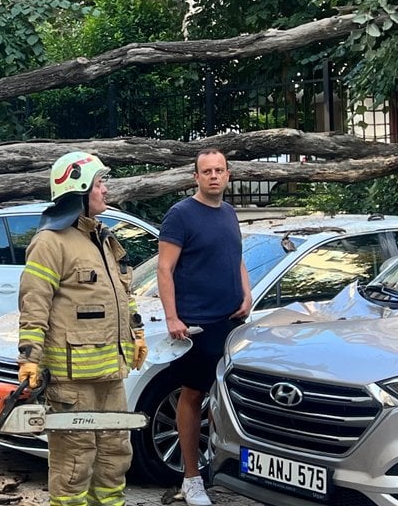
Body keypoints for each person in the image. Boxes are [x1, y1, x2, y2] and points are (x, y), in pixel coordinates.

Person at [17, 151, 148, 506]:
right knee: (75, 462)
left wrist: (137, 335)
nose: (106, 190)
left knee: (115, 456)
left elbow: (123, 293)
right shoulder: (50, 243)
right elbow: (34, 304)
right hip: (71, 380)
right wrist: (30, 358)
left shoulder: (103, 239)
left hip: (111, 375)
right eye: (100, 183)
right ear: (79, 191)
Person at [157, 148, 253, 506]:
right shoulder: (180, 215)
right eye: (206, 171)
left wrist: (246, 292)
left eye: (219, 170)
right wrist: (172, 317)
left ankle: (222, 468)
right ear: (195, 177)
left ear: (228, 175)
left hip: (232, 322)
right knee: (193, 395)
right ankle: (191, 478)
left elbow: (236, 257)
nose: (213, 176)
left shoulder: (228, 212)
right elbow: (164, 269)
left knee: (227, 399)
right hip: (196, 324)